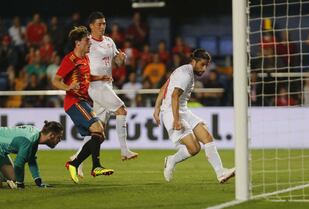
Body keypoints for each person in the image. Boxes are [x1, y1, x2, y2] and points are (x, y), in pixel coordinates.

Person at [153, 48, 235, 183]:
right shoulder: (185, 74)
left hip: (183, 110)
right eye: (202, 64)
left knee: (207, 137)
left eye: (206, 66)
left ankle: (221, 173)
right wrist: (176, 120)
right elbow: (174, 96)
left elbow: (164, 87)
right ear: (194, 61)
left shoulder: (184, 70)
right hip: (172, 113)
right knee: (194, 148)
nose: (204, 69)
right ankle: (171, 160)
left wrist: (156, 108)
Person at [71, 12, 137, 172]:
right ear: (91, 26)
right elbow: (79, 65)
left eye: (104, 24)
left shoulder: (109, 41)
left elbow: (117, 62)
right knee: (121, 109)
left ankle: (76, 160)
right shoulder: (88, 43)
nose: (102, 26)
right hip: (96, 86)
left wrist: (121, 59)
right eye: (99, 24)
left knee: (98, 132)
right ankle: (124, 150)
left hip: (107, 85)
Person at [52, 26, 114, 184]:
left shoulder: (85, 58)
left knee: (99, 136)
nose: (90, 43)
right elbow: (55, 80)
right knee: (98, 129)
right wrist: (68, 87)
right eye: (87, 40)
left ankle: (74, 164)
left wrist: (100, 77)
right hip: (74, 102)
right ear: (78, 42)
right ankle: (96, 167)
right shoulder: (70, 59)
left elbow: (86, 77)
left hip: (83, 102)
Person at [0, 121, 63, 189]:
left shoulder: (35, 135)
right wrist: (20, 184)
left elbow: (31, 159)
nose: (60, 140)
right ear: (51, 135)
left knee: (13, 177)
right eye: (59, 137)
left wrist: (38, 181)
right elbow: (18, 164)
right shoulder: (29, 141)